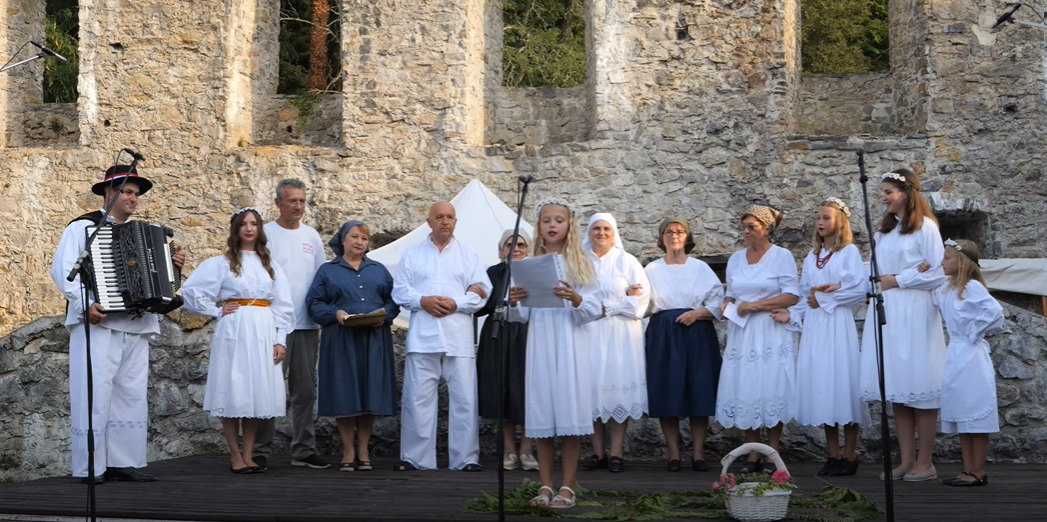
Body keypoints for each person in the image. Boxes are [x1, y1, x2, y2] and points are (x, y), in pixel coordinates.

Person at [50, 165, 185, 484]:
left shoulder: (145, 233)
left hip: (137, 324)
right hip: (99, 323)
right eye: (127, 192)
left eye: (136, 194)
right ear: (109, 192)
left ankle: (123, 462)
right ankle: (91, 467)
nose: (133, 198)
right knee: (94, 393)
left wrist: (173, 268)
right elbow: (62, 270)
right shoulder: (83, 228)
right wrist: (85, 305)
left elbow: (162, 283)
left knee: (131, 394)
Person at [181, 207, 294, 473]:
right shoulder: (221, 263)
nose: (249, 228)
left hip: (263, 329)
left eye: (254, 223)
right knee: (233, 389)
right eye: (243, 224)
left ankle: (249, 454)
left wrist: (280, 340)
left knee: (254, 392)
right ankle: (235, 455)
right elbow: (191, 291)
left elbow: (283, 305)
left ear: (260, 228)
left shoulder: (270, 264)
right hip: (234, 329)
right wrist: (216, 310)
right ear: (236, 229)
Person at [508, 198, 602, 509]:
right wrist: (514, 301)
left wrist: (576, 298)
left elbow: (594, 309)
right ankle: (546, 485)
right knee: (543, 415)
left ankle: (567, 487)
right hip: (541, 342)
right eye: (546, 220)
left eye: (558, 220)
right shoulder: (529, 264)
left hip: (571, 342)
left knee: (569, 415)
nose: (552, 225)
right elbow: (520, 316)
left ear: (569, 225)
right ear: (538, 226)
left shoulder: (582, 262)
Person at [857, 169, 947, 482]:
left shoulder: (925, 228)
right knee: (898, 387)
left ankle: (926, 462)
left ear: (906, 193)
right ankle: (906, 460)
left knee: (920, 385)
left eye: (888, 192)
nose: (883, 198)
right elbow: (874, 275)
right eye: (882, 192)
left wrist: (899, 279)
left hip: (916, 312)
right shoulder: (883, 233)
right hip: (888, 312)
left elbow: (937, 272)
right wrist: (890, 280)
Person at [391, 201, 492, 471]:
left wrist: (457, 303)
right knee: (418, 399)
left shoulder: (468, 255)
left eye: (449, 217)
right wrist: (422, 300)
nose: (445, 221)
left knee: (464, 399)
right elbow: (400, 291)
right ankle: (416, 458)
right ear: (429, 222)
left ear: (455, 221)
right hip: (423, 336)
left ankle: (466, 459)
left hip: (458, 336)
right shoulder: (412, 254)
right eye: (439, 217)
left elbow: (483, 292)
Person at [770, 198, 868, 477]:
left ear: (840, 222)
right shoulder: (812, 257)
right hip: (816, 327)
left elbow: (858, 291)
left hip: (837, 325)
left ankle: (850, 455)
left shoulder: (848, 252)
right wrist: (792, 313)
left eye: (826, 217)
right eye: (818, 218)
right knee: (824, 385)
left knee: (843, 384)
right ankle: (833, 454)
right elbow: (805, 296)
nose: (820, 222)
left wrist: (826, 298)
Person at [307, 220, 400, 472]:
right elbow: (314, 303)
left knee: (370, 392)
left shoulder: (378, 270)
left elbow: (394, 300)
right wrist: (335, 313)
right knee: (344, 392)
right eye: (354, 236)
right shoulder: (328, 270)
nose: (360, 242)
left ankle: (363, 449)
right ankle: (348, 449)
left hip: (374, 338)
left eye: (364, 238)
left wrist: (384, 315)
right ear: (343, 240)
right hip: (341, 339)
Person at [716, 205, 800, 473]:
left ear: (766, 228)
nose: (745, 232)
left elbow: (791, 295)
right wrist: (726, 303)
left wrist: (757, 305)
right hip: (742, 332)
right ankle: (752, 453)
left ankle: (773, 453)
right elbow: (732, 293)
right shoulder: (736, 259)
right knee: (746, 386)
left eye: (751, 227)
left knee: (772, 386)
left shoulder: (781, 256)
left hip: (770, 329)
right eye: (743, 227)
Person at [255, 179, 329, 471]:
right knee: (270, 388)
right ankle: (259, 450)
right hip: (275, 325)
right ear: (277, 203)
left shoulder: (312, 236)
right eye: (292, 201)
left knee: (305, 390)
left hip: (307, 324)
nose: (298, 206)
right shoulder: (265, 234)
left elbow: (322, 278)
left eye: (302, 201)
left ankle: (304, 449)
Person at [644, 217, 723, 473]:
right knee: (667, 390)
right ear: (662, 237)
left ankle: (698, 454)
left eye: (679, 231)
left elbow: (718, 302)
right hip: (664, 334)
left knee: (699, 389)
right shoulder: (651, 269)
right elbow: (643, 305)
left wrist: (697, 314)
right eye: (668, 232)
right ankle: (673, 454)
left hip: (697, 332)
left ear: (687, 237)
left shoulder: (700, 268)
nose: (674, 235)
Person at [579, 213, 649, 473]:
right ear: (589, 232)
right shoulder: (580, 261)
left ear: (614, 232)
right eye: (596, 228)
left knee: (617, 388)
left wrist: (608, 307)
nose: (601, 233)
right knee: (593, 389)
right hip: (588, 333)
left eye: (606, 228)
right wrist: (621, 300)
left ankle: (617, 453)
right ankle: (598, 453)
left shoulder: (626, 260)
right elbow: (577, 300)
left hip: (621, 336)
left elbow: (640, 303)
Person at [932, 239, 1003, 487]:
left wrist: (975, 331)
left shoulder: (972, 287)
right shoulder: (946, 289)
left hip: (971, 354)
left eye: (947, 258)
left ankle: (978, 471)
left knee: (975, 411)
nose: (942, 262)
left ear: (961, 262)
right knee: (963, 413)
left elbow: (995, 312)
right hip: (955, 353)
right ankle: (967, 468)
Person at [474, 229, 538, 472]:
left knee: (527, 391)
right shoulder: (493, 272)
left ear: (528, 248)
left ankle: (527, 450)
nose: (516, 249)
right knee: (503, 391)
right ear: (501, 249)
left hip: (529, 334)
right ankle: (509, 450)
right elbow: (480, 307)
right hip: (499, 334)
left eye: (521, 244)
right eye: (510, 245)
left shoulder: (535, 271)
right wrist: (502, 300)